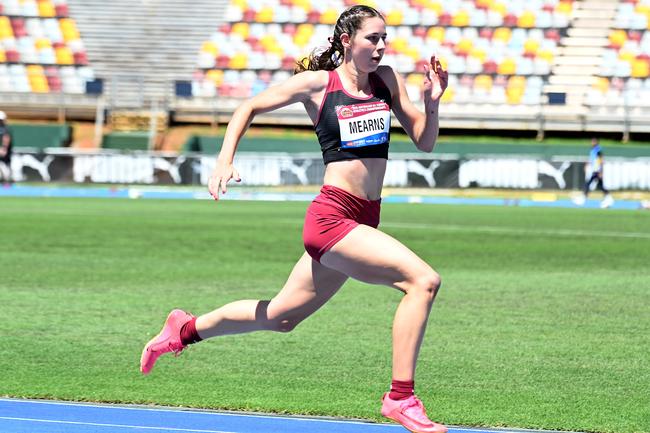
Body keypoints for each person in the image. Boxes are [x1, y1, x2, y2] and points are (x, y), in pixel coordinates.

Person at [140, 6, 449, 433]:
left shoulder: (388, 81)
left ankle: (184, 329)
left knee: (282, 317)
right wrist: (223, 162)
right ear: (347, 41)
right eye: (371, 38)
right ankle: (400, 398)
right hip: (332, 218)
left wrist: (433, 104)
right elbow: (247, 107)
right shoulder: (318, 85)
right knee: (422, 281)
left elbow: (425, 141)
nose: (380, 46)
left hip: (363, 219)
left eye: (384, 39)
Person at [576, 138, 613, 208]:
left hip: (597, 170)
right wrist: (587, 164)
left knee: (588, 183)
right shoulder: (593, 150)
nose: (591, 143)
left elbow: (601, 161)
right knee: (599, 185)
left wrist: (601, 171)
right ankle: (608, 197)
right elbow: (592, 159)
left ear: (596, 142)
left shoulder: (598, 150)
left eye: (593, 141)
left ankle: (583, 198)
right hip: (595, 170)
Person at [0, 111, 12, 183]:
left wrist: (4, 148)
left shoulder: (5, 128)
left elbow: (6, 138)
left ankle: (6, 181)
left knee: (5, 167)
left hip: (4, 152)